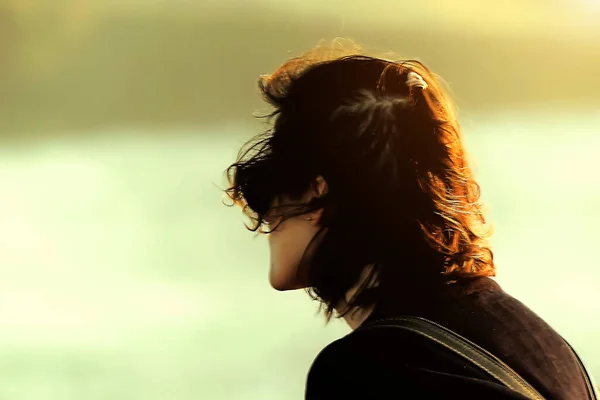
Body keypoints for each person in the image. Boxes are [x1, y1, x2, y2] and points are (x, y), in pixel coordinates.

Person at [223, 39, 595, 399]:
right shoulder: (537, 342)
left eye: (274, 176)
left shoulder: (364, 373)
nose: (265, 209)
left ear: (316, 191)